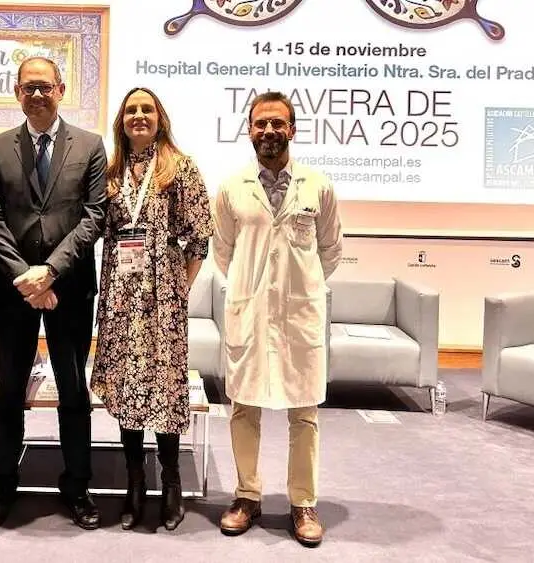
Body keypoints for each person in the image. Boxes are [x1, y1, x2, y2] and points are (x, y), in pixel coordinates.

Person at [0, 56, 108, 530]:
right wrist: (24, 277)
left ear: (61, 89)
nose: (37, 94)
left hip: (70, 288)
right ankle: (1, 489)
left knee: (74, 391)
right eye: (28, 87)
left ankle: (77, 487)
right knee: (9, 390)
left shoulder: (91, 147)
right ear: (17, 93)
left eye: (45, 87)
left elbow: (94, 216)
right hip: (13, 291)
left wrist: (49, 272)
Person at [211, 91, 343, 547]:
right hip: (250, 312)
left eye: (277, 123)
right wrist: (255, 290)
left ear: (292, 129)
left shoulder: (317, 186)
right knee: (243, 407)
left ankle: (303, 502)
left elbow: (331, 251)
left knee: (303, 412)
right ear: (249, 130)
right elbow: (223, 253)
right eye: (260, 123)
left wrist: (299, 287)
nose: (268, 131)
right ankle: (247, 495)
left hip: (298, 314)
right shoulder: (231, 188)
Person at [90, 87, 212, 531]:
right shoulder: (111, 170)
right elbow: (99, 229)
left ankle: (172, 482)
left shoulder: (179, 168)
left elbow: (200, 236)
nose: (139, 116)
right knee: (127, 389)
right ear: (121, 121)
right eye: (131, 110)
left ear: (160, 117)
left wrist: (181, 287)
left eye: (147, 109)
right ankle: (135, 483)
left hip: (162, 301)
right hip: (121, 299)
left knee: (163, 389)